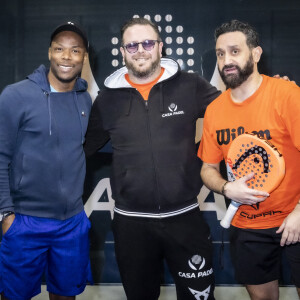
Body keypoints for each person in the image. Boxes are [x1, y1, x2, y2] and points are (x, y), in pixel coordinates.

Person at [84, 17, 221, 300]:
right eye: (132, 45)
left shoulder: (190, 85)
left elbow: (234, 110)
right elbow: (80, 148)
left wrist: (266, 92)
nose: (140, 50)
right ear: (122, 52)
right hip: (131, 224)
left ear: (160, 47)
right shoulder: (107, 99)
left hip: (184, 218)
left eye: (147, 43)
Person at [198, 19, 300, 300]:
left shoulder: (288, 95)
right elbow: (208, 169)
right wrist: (226, 188)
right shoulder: (215, 111)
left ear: (255, 54)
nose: (226, 60)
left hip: (294, 219)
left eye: (234, 51)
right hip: (248, 228)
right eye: (220, 53)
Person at [0, 22, 93, 300]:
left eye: (75, 50)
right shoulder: (15, 96)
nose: (67, 57)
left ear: (84, 57)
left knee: (66, 296)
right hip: (25, 221)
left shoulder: (84, 99)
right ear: (49, 52)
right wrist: (6, 215)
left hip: (71, 223)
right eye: (59, 49)